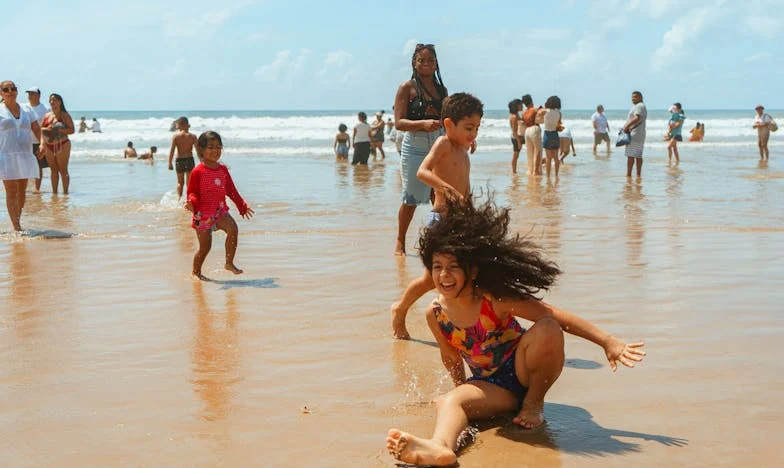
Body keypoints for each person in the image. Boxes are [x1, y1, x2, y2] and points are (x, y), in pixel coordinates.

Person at [385, 195, 646, 467]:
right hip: (492, 387)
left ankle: (534, 403)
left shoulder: (493, 300)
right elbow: (450, 357)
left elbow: (554, 315)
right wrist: (462, 394)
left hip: (524, 370)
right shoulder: (435, 314)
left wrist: (607, 341)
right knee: (451, 402)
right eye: (437, 267)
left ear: (472, 271)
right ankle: (439, 448)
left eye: (453, 267)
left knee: (548, 327)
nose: (444, 275)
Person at [391, 92, 483, 339]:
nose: (473, 134)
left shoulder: (464, 149)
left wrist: (471, 211)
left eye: (476, 128)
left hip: (461, 221)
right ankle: (400, 309)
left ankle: (460, 322)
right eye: (468, 128)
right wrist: (446, 189)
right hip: (439, 220)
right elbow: (422, 172)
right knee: (430, 279)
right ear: (449, 125)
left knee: (466, 272)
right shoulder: (443, 143)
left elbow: (465, 185)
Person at [392, 43, 449, 256]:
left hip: (439, 141)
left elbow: (448, 118)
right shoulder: (407, 88)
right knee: (411, 198)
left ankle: (437, 238)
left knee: (440, 194)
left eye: (430, 60)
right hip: (415, 144)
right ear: (414, 63)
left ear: (436, 64)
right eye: (421, 60)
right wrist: (422, 124)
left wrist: (464, 138)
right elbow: (399, 123)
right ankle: (400, 240)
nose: (426, 63)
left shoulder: (442, 89)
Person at [185, 131, 255, 280]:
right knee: (205, 248)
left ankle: (229, 263)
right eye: (211, 147)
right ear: (201, 150)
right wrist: (191, 202)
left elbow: (231, 190)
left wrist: (241, 205)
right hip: (202, 215)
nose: (215, 150)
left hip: (219, 212)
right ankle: (196, 273)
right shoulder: (198, 171)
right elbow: (192, 192)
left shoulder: (222, 170)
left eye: (218, 147)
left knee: (233, 229)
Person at [0, 80, 43, 231]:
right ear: (1, 93)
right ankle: (17, 227)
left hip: (25, 155)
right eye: (6, 89)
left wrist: (42, 143)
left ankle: (17, 218)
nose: (10, 91)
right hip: (6, 156)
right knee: (11, 191)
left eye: (13, 88)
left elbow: (36, 129)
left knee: (21, 192)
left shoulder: (26, 109)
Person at [40, 94, 75, 194]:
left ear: (60, 102)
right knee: (53, 170)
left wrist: (59, 129)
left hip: (62, 144)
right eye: (50, 100)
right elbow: (41, 130)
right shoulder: (47, 115)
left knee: (63, 170)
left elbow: (72, 130)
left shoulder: (64, 115)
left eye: (54, 100)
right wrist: (42, 144)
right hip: (49, 145)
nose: (52, 102)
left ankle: (65, 193)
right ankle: (54, 193)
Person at [24, 87, 50, 192]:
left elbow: (49, 124)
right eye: (29, 94)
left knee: (38, 166)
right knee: (25, 166)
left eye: (32, 94)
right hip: (25, 142)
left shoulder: (45, 109)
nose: (30, 96)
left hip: (39, 142)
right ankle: (26, 188)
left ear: (38, 95)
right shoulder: (24, 108)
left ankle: (36, 189)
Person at [168, 116, 199, 198]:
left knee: (180, 183)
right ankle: (189, 200)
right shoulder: (193, 136)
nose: (176, 127)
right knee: (189, 183)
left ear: (180, 125)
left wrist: (169, 163)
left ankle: (179, 199)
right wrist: (202, 161)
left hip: (179, 160)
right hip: (189, 160)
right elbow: (198, 150)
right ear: (187, 125)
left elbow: (172, 151)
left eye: (177, 125)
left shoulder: (176, 137)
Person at [623, 91, 647, 178]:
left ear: (640, 97)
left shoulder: (639, 106)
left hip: (635, 133)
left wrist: (626, 126)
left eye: (635, 97)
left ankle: (629, 175)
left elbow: (637, 117)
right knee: (638, 155)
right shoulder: (640, 106)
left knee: (631, 155)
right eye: (632, 97)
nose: (633, 98)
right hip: (639, 133)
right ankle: (638, 175)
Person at [521, 94, 542, 176]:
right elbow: (542, 111)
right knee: (538, 151)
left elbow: (523, 122)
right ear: (531, 100)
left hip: (527, 131)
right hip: (534, 129)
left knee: (529, 153)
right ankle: (536, 171)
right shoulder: (534, 109)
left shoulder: (524, 112)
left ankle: (530, 170)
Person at [542, 96, 562, 178]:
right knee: (556, 157)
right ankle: (556, 175)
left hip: (547, 134)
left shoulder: (545, 111)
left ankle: (548, 176)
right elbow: (559, 124)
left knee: (548, 158)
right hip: (555, 134)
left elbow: (539, 114)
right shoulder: (559, 113)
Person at [508, 98, 523, 173]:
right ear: (517, 106)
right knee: (516, 155)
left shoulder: (516, 115)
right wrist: (519, 142)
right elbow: (514, 131)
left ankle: (514, 171)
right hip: (516, 137)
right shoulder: (514, 117)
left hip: (517, 137)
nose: (522, 106)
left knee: (516, 155)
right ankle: (514, 171)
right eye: (521, 104)